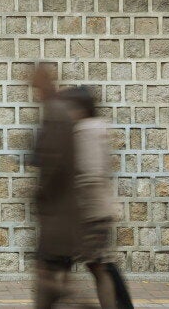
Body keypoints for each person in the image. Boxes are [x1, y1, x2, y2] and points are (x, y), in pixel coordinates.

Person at [67, 87, 133, 309]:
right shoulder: (93, 129)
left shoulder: (87, 130)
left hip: (91, 211)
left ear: (81, 108)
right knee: (99, 264)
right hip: (95, 209)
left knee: (98, 265)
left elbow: (91, 174)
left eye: (71, 107)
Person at [31, 65, 82, 308]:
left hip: (57, 212)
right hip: (60, 211)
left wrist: (39, 194)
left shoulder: (54, 113)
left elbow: (51, 162)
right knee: (50, 274)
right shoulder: (57, 112)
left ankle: (84, 305)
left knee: (47, 273)